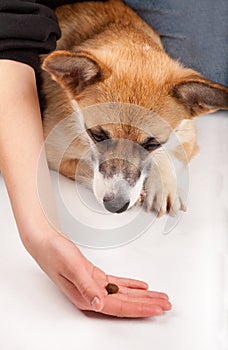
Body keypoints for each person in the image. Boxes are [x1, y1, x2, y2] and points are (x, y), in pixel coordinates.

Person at [0, 0, 226, 318]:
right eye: (100, 136)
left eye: (149, 144)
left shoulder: (172, 90)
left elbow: (186, 136)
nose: (117, 188)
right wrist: (41, 234)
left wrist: (166, 167)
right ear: (75, 80)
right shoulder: (78, 80)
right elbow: (52, 152)